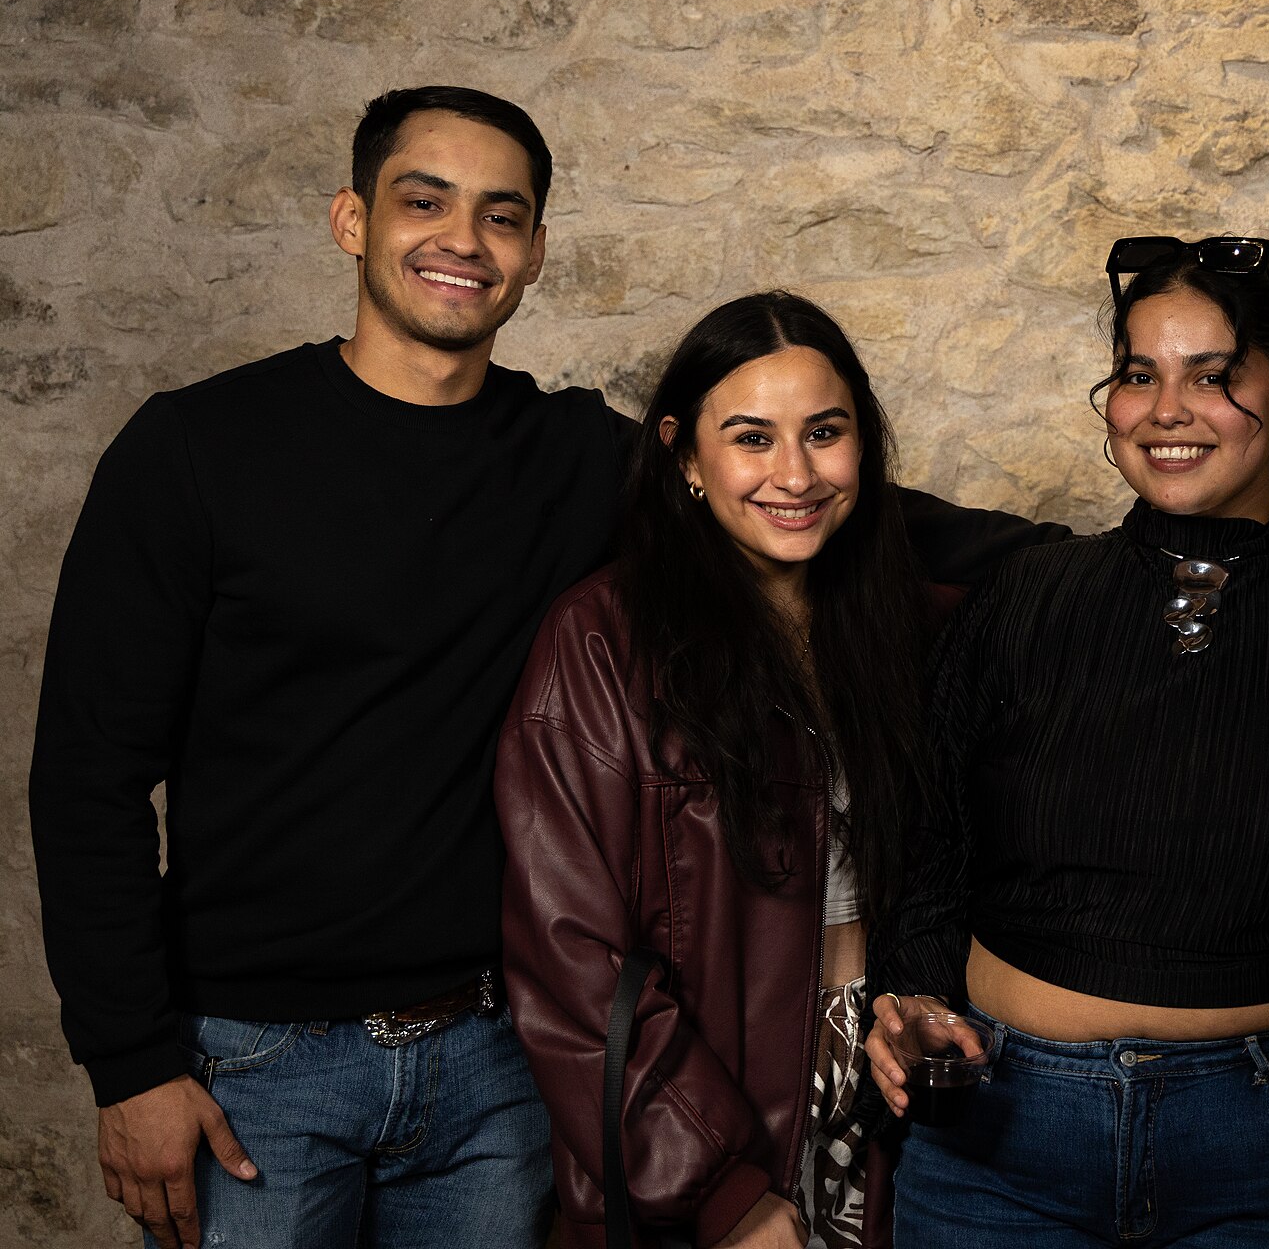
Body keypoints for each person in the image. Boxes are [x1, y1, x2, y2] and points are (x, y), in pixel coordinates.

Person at [28, 86, 1057, 1249]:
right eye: (426, 202)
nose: (463, 239)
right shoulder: (197, 449)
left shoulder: (575, 459)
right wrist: (128, 1063)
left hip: (494, 1063)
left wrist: (1103, 557)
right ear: (351, 220)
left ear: (534, 254)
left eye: (501, 216)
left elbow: (802, 501)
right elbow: (87, 777)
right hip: (260, 1061)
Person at [865, 235, 1269, 1247]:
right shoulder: (1022, 598)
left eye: (1213, 376)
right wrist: (909, 994)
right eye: (1138, 373)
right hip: (1001, 1134)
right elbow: (932, 845)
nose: (1167, 409)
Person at [497, 290, 947, 1249]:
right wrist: (718, 1188)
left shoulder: (906, 628)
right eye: (751, 438)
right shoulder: (602, 643)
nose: (795, 473)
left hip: (887, 1106)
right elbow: (569, 958)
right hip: (708, 1123)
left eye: (824, 433)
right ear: (685, 456)